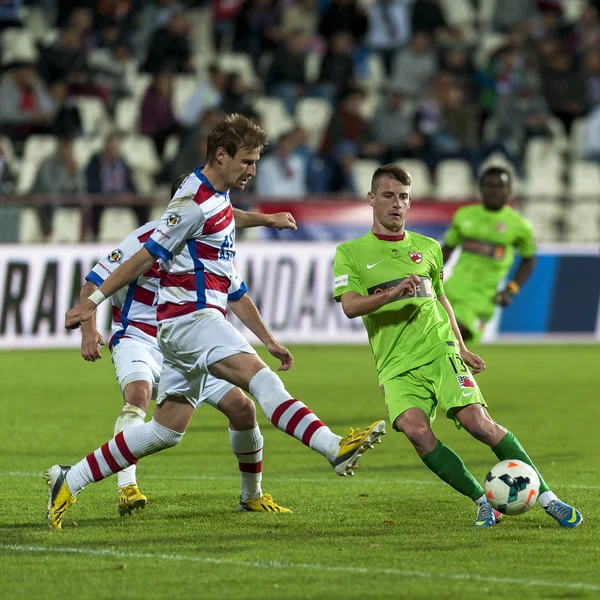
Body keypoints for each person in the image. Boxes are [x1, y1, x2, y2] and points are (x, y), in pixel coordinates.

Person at [49, 114, 386, 529]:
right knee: (260, 380)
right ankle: (333, 447)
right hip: (190, 320)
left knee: (167, 430)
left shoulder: (215, 196)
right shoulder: (193, 205)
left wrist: (266, 219)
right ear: (221, 156)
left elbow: (225, 225)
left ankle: (71, 477)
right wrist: (94, 301)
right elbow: (145, 255)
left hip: (181, 327)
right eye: (246, 161)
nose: (253, 170)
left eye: (256, 161)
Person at [333, 163, 582, 528]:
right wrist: (390, 294)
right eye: (388, 196)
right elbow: (351, 306)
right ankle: (484, 502)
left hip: (439, 350)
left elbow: (442, 300)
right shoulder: (351, 252)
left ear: (410, 201)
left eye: (403, 197)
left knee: (479, 423)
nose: (396, 204)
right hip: (395, 364)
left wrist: (461, 348)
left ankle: (549, 498)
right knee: (417, 433)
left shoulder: (428, 248)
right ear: (371, 199)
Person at [80, 175, 300, 515]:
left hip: (186, 343)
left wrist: (269, 341)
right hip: (138, 337)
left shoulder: (206, 244)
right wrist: (89, 330)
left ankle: (251, 495)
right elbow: (93, 281)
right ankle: (127, 487)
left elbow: (236, 294)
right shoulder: (142, 239)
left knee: (243, 409)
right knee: (138, 394)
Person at [441, 166, 536, 345]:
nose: (494, 190)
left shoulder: (519, 226)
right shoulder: (463, 216)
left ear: (509, 191)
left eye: (500, 186)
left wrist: (511, 289)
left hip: (482, 299)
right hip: (451, 290)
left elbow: (529, 259)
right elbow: (447, 250)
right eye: (489, 185)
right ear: (480, 188)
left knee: (452, 336)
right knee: (447, 347)